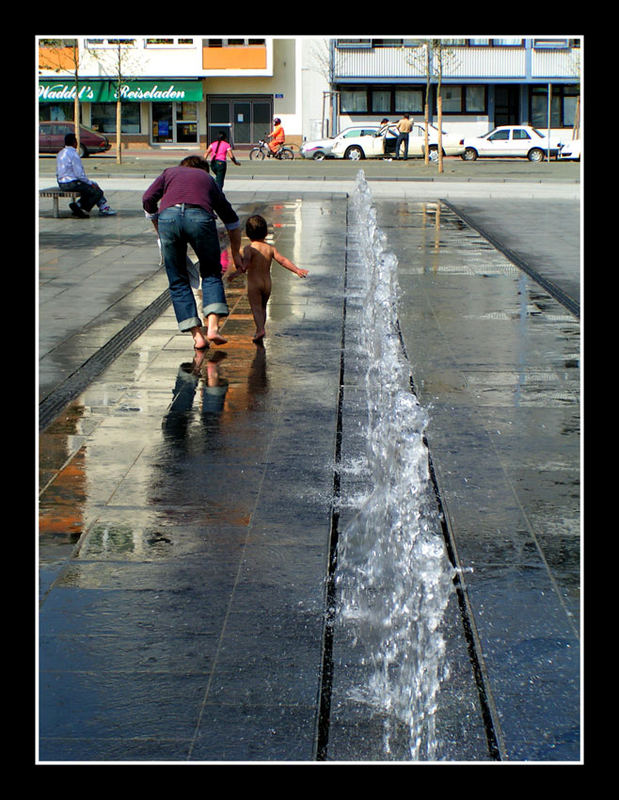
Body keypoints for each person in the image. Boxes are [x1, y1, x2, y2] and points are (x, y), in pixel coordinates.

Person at [142, 155, 243, 350]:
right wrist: (236, 253)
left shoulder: (169, 173)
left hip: (168, 219)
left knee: (178, 280)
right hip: (200, 219)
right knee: (211, 273)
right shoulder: (207, 179)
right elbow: (231, 220)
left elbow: (147, 198)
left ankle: (197, 336)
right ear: (204, 170)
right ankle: (212, 327)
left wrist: (156, 220)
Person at [227, 214, 308, 343]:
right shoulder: (270, 248)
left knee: (256, 307)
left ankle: (260, 329)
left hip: (255, 283)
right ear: (265, 232)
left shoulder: (249, 249)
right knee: (263, 307)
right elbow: (282, 260)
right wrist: (297, 270)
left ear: (248, 234)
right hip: (267, 284)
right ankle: (261, 328)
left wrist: (236, 273)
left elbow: (245, 265)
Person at [56, 132, 117, 217]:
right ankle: (82, 208)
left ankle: (81, 205)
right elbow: (79, 174)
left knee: (91, 187)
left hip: (61, 183)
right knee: (97, 191)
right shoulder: (73, 154)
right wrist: (89, 183)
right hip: (71, 183)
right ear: (74, 142)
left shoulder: (60, 153)